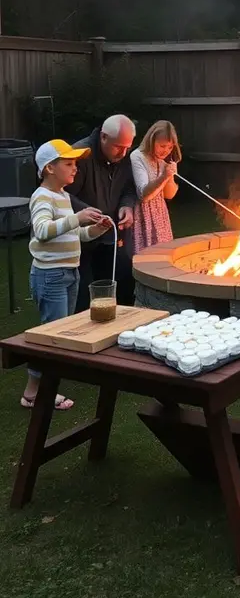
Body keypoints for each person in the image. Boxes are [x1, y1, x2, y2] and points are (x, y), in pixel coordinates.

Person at [21, 139, 113, 411]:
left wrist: (96, 230)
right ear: (49, 168)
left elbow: (75, 234)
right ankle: (37, 394)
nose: (75, 169)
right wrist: (78, 217)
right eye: (69, 163)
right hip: (50, 276)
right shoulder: (42, 197)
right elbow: (42, 231)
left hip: (68, 273)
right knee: (53, 336)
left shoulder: (62, 196)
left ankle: (37, 390)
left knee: (58, 333)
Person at [67, 114, 137, 312]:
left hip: (110, 237)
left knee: (123, 283)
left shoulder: (123, 157)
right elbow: (61, 195)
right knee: (84, 296)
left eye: (127, 147)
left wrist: (127, 205)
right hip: (80, 240)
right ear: (103, 137)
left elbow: (129, 189)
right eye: (118, 147)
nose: (123, 153)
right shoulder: (79, 156)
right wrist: (87, 212)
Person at [130, 120, 181, 252]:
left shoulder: (163, 161)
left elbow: (169, 195)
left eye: (170, 147)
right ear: (151, 140)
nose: (166, 151)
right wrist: (163, 176)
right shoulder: (137, 157)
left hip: (160, 216)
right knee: (145, 256)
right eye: (162, 146)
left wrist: (170, 177)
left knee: (162, 255)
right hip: (142, 216)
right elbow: (144, 195)